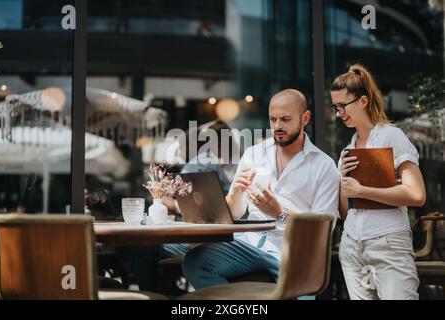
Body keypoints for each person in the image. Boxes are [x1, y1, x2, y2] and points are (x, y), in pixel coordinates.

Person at [180, 89, 341, 290]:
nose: (277, 126)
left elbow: (322, 229)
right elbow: (236, 213)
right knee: (195, 262)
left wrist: (280, 213)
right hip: (250, 243)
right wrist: (235, 193)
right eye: (273, 119)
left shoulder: (324, 166)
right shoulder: (253, 154)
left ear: (305, 118)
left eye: (285, 119)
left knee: (299, 291)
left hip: (293, 251)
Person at [331, 64, 426, 300]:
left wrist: (362, 190)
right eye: (335, 107)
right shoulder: (347, 151)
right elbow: (346, 211)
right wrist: (343, 183)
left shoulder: (391, 137)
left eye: (342, 106)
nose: (338, 113)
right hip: (352, 245)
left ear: (363, 101)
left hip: (388, 242)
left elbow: (417, 195)